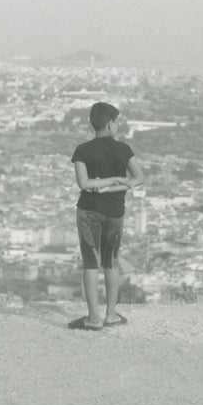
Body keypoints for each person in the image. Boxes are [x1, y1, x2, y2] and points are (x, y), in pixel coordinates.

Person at [69, 101, 145, 330]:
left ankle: (93, 318)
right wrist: (115, 184)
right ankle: (111, 315)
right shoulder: (123, 149)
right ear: (110, 124)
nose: (118, 125)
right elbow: (138, 178)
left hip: (89, 210)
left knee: (90, 263)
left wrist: (102, 185)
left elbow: (83, 183)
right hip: (114, 211)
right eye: (117, 122)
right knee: (111, 262)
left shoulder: (82, 150)